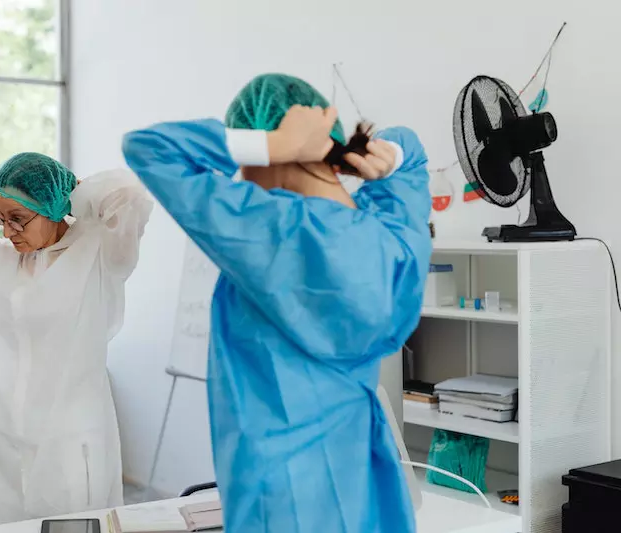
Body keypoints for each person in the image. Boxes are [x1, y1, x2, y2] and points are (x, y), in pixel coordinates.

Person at [122, 74, 431, 533]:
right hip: (363, 483)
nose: (244, 176)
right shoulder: (393, 231)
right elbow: (410, 155)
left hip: (279, 495)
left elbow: (149, 148)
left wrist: (271, 143)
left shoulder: (268, 229)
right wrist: (382, 154)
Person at [0, 153, 153, 527]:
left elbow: (131, 195)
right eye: (0, 220)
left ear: (52, 207)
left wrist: (71, 193)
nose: (6, 231)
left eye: (18, 220)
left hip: (68, 443)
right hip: (0, 444)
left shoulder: (99, 254)